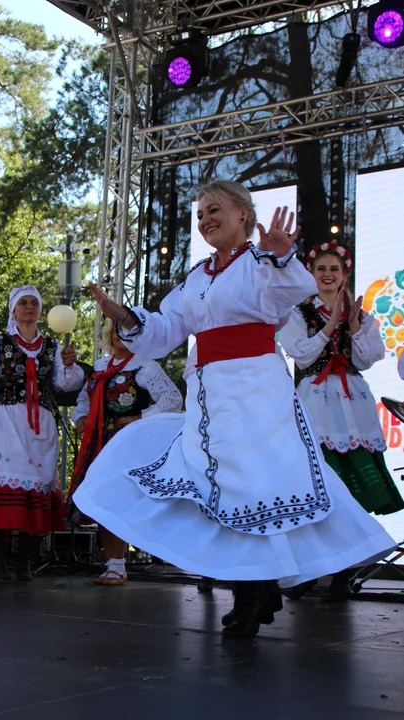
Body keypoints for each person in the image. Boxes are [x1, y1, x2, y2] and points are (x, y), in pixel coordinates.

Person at [73, 180, 395, 638]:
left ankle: (254, 590)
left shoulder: (262, 264)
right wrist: (123, 315)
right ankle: (256, 586)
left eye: (215, 210)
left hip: (256, 394)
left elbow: (291, 289)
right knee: (213, 486)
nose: (205, 220)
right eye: (201, 213)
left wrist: (281, 254)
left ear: (244, 214)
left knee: (255, 487)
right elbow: (164, 332)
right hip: (209, 397)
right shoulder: (196, 277)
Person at [279, 242, 404, 601]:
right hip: (315, 403)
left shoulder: (360, 315)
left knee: (351, 491)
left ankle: (343, 572)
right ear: (311, 274)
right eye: (321, 269)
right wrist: (330, 324)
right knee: (314, 485)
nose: (328, 274)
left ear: (345, 274)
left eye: (335, 268)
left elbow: (366, 360)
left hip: (353, 405)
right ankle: (309, 568)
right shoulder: (298, 313)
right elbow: (301, 355)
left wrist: (352, 327)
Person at [0, 286, 84, 580]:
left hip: (40, 425)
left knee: (37, 485)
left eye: (34, 303)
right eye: (23, 303)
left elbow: (65, 386)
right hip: (4, 423)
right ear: (13, 310)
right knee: (11, 486)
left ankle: (25, 562)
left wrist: (69, 367)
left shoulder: (51, 346)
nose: (29, 307)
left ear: (40, 311)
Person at [67, 318, 183, 585]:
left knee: (130, 501)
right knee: (106, 500)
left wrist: (141, 417)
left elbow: (172, 398)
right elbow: (82, 400)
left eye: (128, 331)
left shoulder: (146, 366)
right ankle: (115, 566)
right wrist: (81, 417)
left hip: (131, 446)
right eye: (116, 329)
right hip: (100, 444)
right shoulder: (99, 367)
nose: (120, 335)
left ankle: (162, 553)